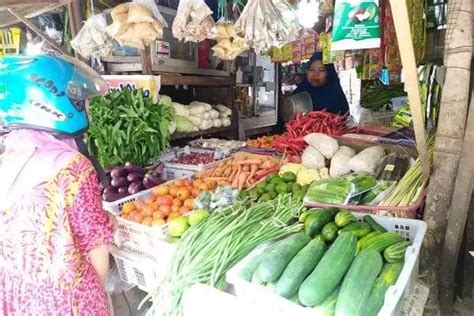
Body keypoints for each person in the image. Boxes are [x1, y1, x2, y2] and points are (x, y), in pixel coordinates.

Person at [0, 54, 114, 315]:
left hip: (17, 296)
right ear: (51, 102)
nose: (85, 106)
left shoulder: (9, 158)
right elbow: (96, 249)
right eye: (78, 99)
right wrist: (96, 292)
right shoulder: (73, 168)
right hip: (68, 298)